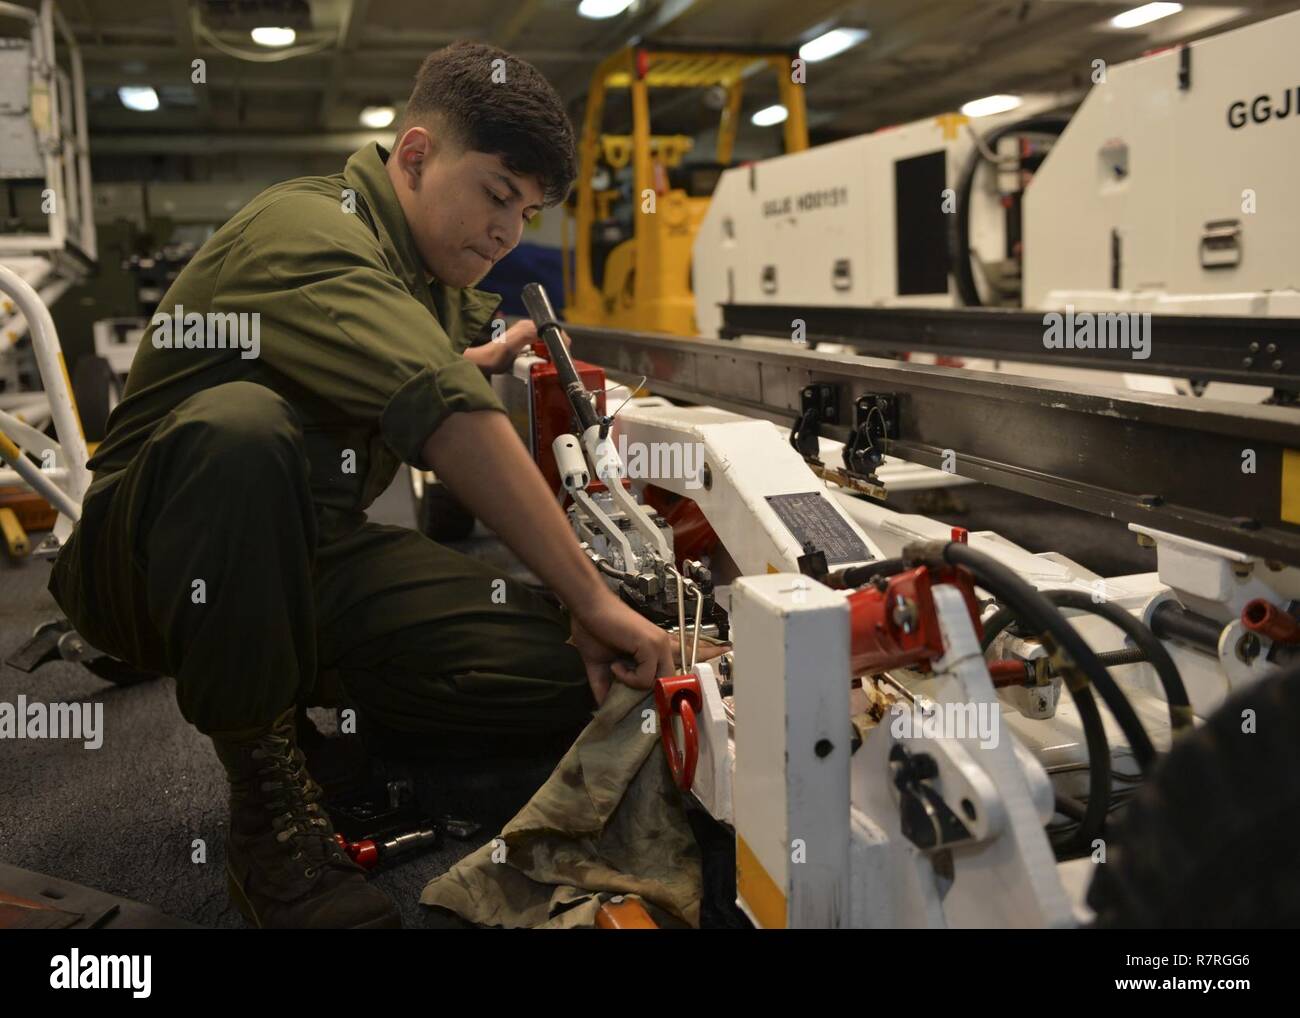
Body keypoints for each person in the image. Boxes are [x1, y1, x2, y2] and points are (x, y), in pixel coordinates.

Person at [49, 41, 674, 930]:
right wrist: (592, 596)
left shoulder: (419, 275)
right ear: (415, 156)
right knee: (239, 431)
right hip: (146, 565)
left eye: (527, 214)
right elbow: (437, 405)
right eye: (498, 195)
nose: (509, 234)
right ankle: (270, 815)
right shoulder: (308, 229)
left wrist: (466, 359)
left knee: (565, 676)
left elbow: (399, 370)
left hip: (308, 555)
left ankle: (328, 717)